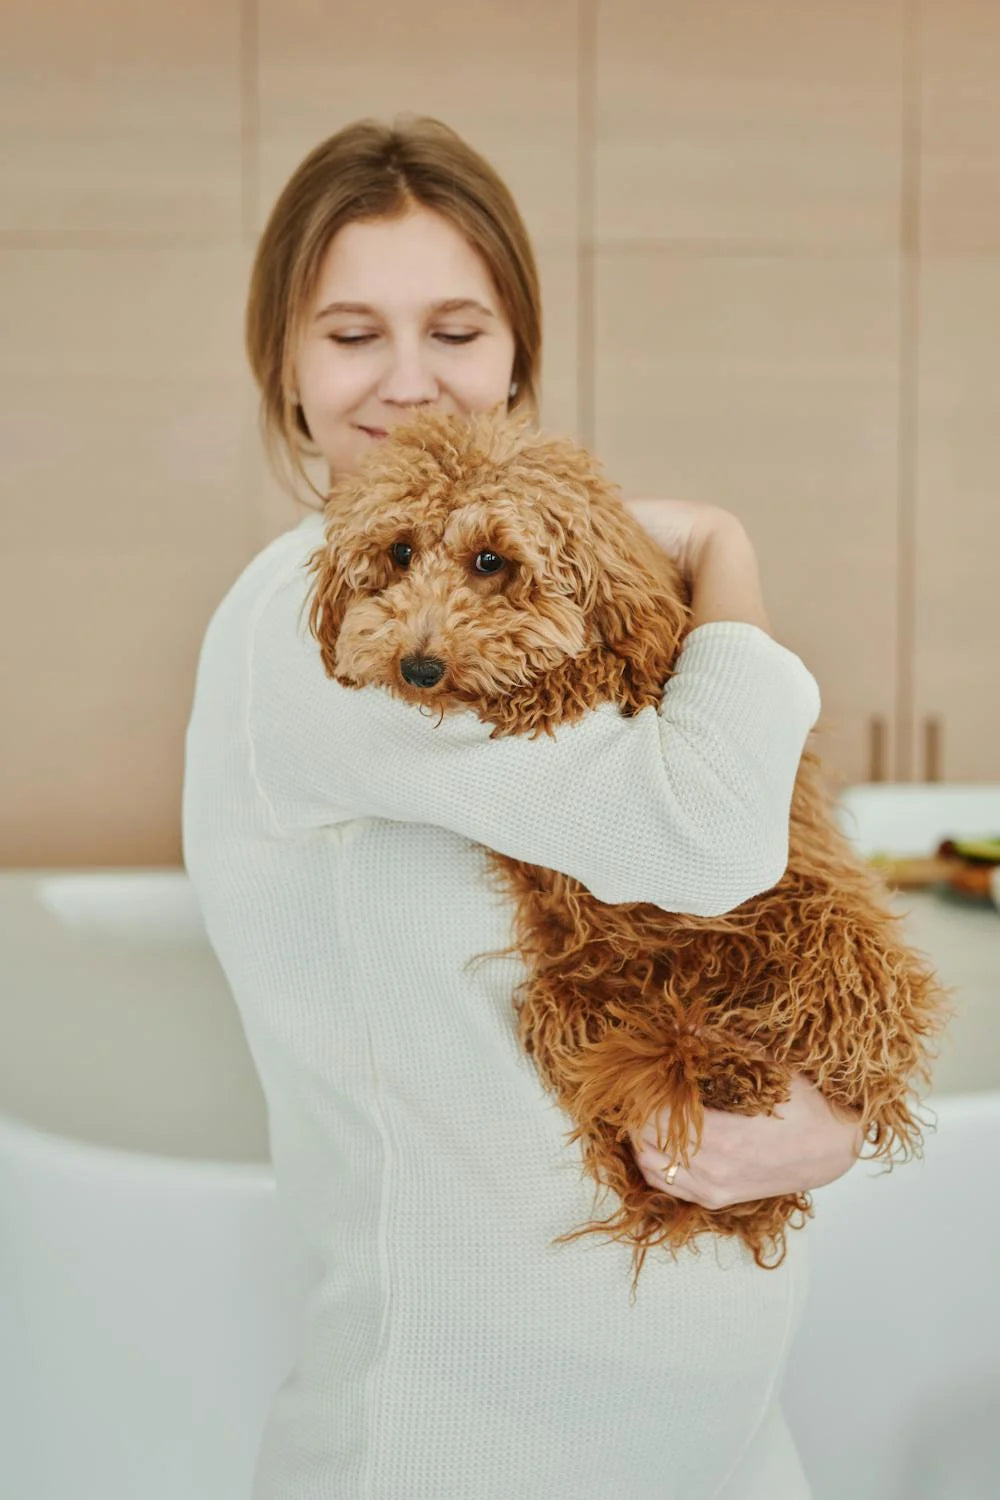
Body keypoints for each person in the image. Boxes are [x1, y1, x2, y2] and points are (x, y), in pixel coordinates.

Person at [182, 115, 863, 1500]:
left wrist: (826, 1116)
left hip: (721, 1436)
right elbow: (711, 837)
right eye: (351, 333)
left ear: (517, 361)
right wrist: (723, 545)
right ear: (286, 367)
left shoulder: (533, 610)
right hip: (462, 1449)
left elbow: (732, 922)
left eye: (457, 329)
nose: (411, 384)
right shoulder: (322, 629)